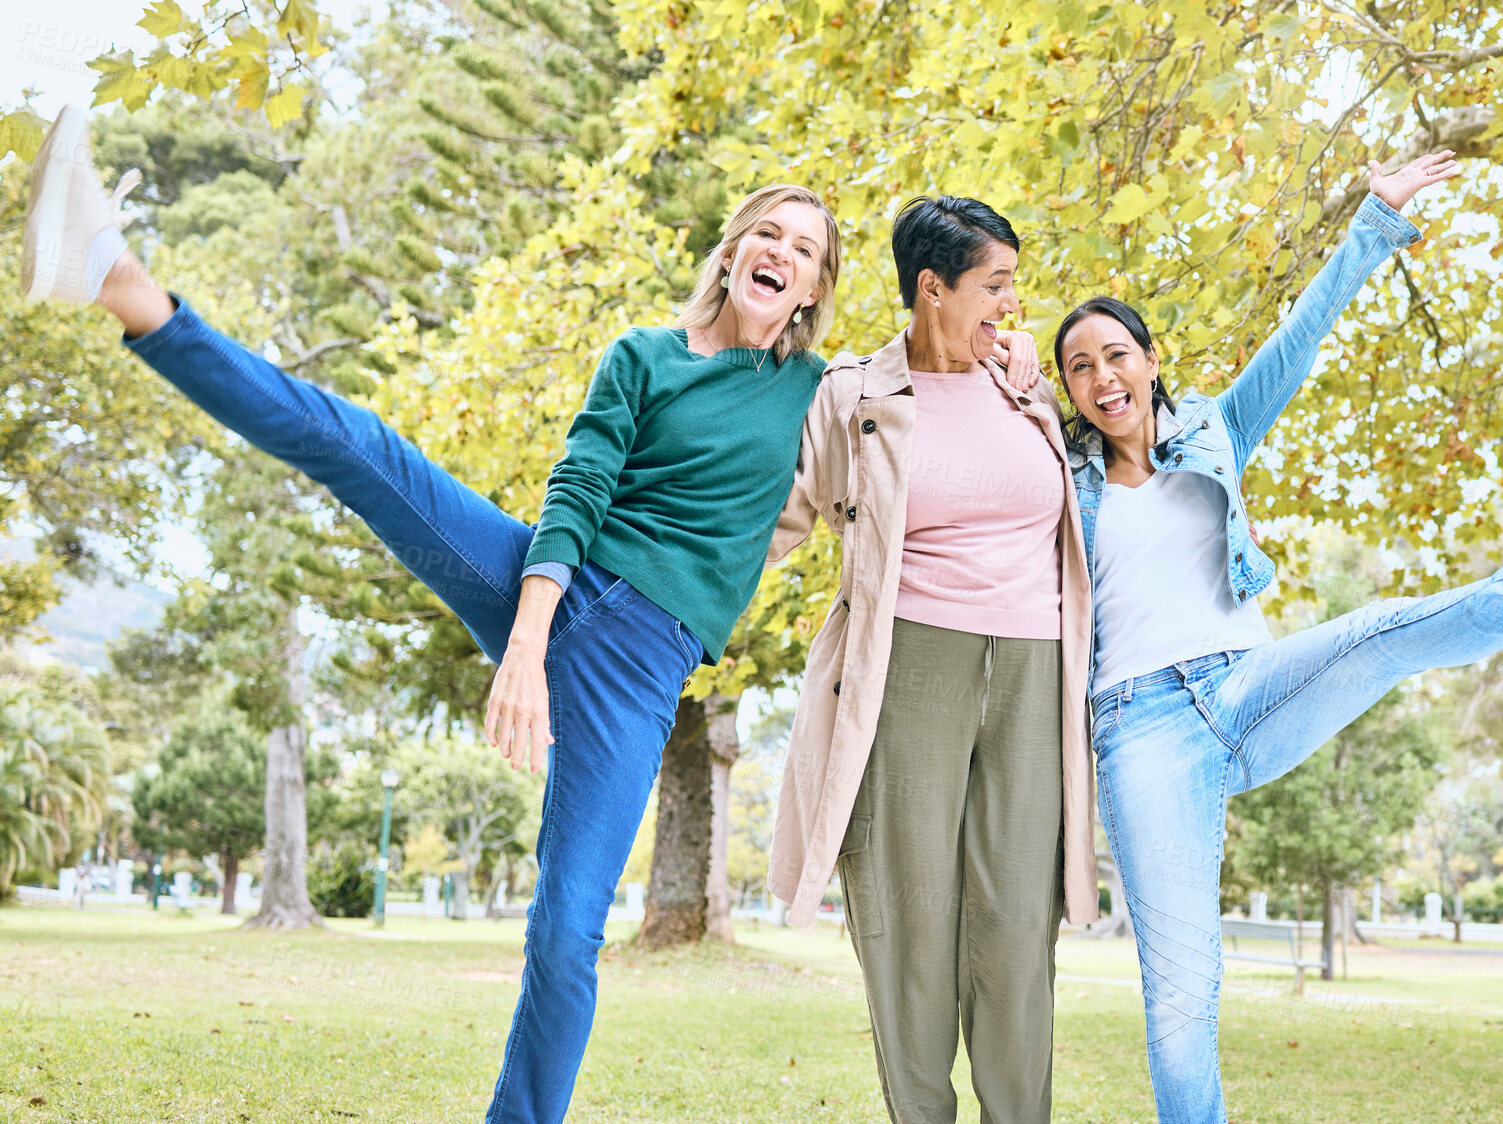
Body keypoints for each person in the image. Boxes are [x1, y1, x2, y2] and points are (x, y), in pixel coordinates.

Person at [19, 104, 840, 1124]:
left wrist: (1019, 366)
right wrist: (527, 645)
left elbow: (925, 385)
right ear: (731, 250)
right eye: (769, 230)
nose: (781, 251)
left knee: (566, 928)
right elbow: (577, 492)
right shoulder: (641, 354)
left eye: (804, 250)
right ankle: (118, 282)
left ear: (810, 290)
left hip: (638, 665)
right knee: (363, 450)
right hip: (549, 583)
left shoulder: (814, 390)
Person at [1055, 152, 1503, 1124]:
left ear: (1149, 360)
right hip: (1137, 731)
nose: (1100, 376)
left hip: (1245, 684)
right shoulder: (1059, 482)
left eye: (1114, 353)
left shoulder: (1214, 429)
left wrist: (1373, 223)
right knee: (1181, 991)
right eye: (1077, 365)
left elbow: (1298, 339)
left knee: (1383, 632)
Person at [768, 194, 1092, 1123]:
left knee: (1018, 924)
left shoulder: (1021, 385)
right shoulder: (855, 394)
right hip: (907, 663)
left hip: (1036, 670)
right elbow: (783, 519)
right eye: (994, 286)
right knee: (910, 919)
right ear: (931, 287)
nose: (1009, 306)